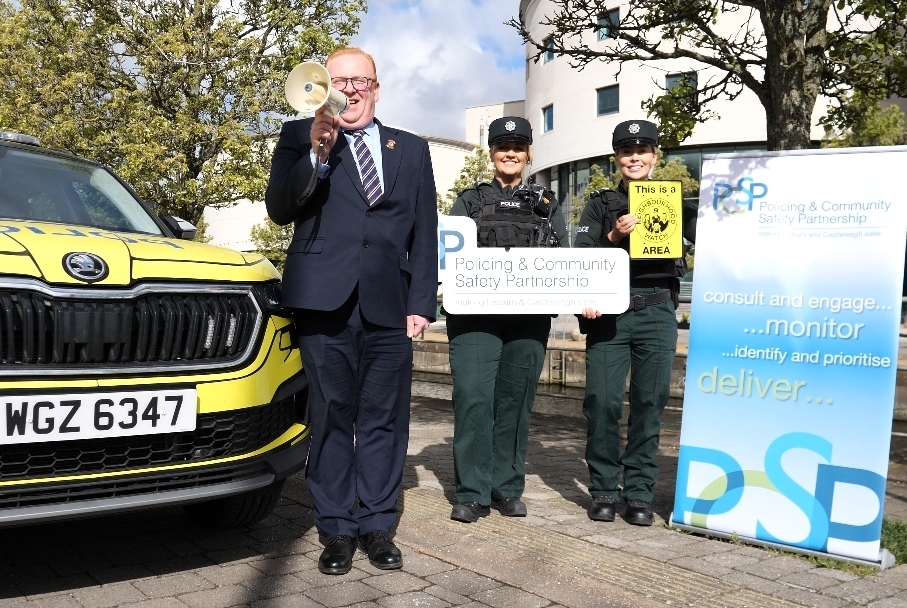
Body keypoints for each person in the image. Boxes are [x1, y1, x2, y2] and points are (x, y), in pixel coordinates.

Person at [264, 47, 438, 574]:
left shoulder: (411, 148)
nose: (351, 90)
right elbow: (279, 209)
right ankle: (337, 527)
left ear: (376, 88)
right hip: (323, 300)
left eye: (361, 80)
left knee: (384, 419)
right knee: (332, 414)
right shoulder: (299, 135)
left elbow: (424, 230)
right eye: (339, 81)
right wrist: (317, 155)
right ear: (323, 87)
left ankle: (378, 524)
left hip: (390, 304)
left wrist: (421, 302)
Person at [446, 117, 568, 523]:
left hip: (527, 319)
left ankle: (507, 487)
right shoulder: (469, 201)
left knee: (515, 402)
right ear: (492, 153)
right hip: (474, 319)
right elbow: (447, 254)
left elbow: (564, 259)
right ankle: (472, 492)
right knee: (473, 398)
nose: (510, 153)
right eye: (502, 147)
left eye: (518, 147)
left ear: (529, 153)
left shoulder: (547, 204)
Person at [575, 120, 693, 526]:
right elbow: (581, 255)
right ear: (617, 159)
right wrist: (613, 236)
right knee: (602, 402)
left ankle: (639, 492)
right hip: (609, 314)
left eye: (642, 151)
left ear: (654, 156)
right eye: (627, 152)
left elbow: (715, 236)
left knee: (649, 404)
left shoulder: (676, 200)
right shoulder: (600, 204)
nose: (635, 158)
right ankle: (604, 490)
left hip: (657, 311)